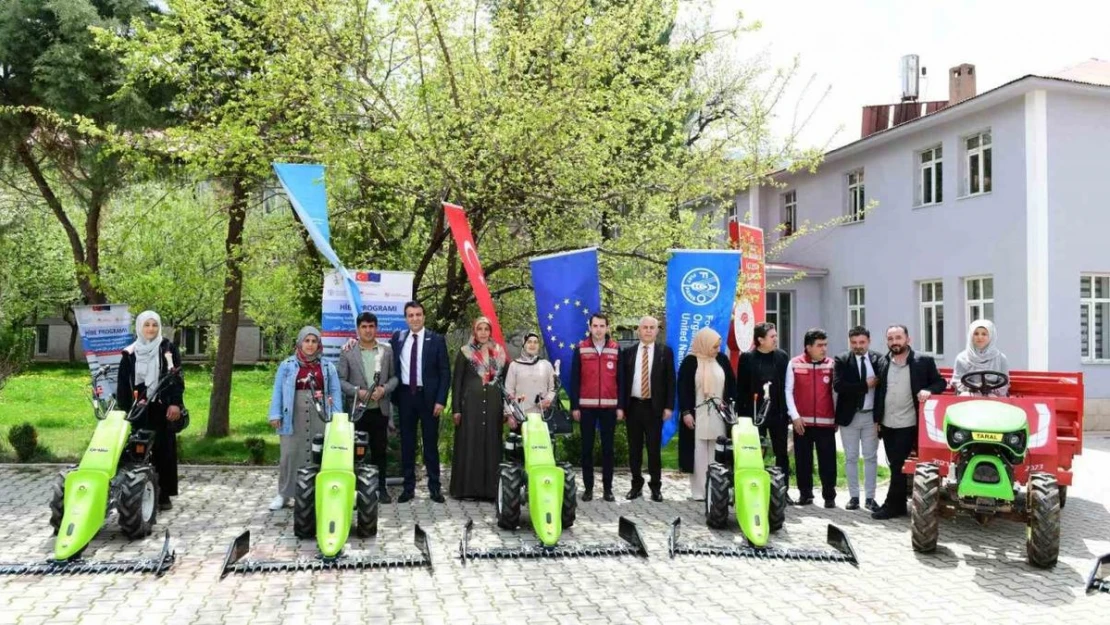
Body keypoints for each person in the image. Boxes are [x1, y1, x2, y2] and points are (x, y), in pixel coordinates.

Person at [871, 325, 947, 520]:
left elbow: (940, 383)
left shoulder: (923, 361)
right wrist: (877, 419)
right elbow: (880, 392)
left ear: (908, 339)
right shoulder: (883, 361)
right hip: (887, 422)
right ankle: (898, 504)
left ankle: (892, 505)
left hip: (909, 422)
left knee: (898, 464)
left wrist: (929, 391)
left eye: (898, 337)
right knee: (894, 464)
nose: (894, 342)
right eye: (890, 338)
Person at [115, 310, 184, 511]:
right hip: (138, 410)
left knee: (164, 450)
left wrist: (175, 404)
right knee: (136, 451)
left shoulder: (167, 348)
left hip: (162, 408)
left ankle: (163, 495)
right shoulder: (130, 353)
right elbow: (123, 384)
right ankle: (136, 492)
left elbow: (176, 379)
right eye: (147, 325)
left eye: (154, 325)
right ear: (140, 327)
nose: (151, 329)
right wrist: (124, 411)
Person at [267, 326, 342, 511]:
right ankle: (284, 494)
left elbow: (334, 391)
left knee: (319, 454)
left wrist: (337, 416)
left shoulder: (327, 367)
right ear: (300, 342)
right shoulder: (286, 366)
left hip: (320, 415)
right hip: (292, 415)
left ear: (319, 344)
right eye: (306, 341)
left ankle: (318, 492)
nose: (310, 345)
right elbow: (277, 390)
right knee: (289, 454)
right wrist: (275, 413)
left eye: (314, 341)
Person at [390, 301, 450, 504]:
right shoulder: (397, 339)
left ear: (424, 317)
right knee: (407, 444)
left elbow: (445, 373)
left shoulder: (436, 340)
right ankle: (408, 488)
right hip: (405, 397)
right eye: (410, 315)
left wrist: (441, 400)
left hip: (429, 399)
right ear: (406, 318)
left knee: (430, 444)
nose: (414, 318)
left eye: (418, 315)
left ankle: (434, 488)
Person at [337, 312, 398, 502]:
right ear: (358, 329)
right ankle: (355, 490)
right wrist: (357, 391)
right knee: (356, 453)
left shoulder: (386, 350)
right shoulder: (348, 351)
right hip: (357, 411)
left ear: (376, 328)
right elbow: (340, 380)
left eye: (371, 326)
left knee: (380, 451)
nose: (368, 330)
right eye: (364, 327)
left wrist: (384, 389)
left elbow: (395, 377)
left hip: (380, 410)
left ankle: (381, 487)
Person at [617, 316, 675, 502]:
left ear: (657, 331)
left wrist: (668, 406)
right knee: (634, 449)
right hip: (633, 406)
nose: (648, 330)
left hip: (654, 407)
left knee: (653, 450)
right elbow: (622, 382)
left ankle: (656, 487)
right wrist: (621, 407)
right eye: (645, 327)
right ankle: (636, 485)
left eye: (652, 327)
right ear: (638, 330)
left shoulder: (665, 352)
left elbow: (670, 381)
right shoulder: (628, 353)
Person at [449, 317, 507, 501]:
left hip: (493, 406)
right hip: (470, 408)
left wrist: (506, 408)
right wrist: (456, 409)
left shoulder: (498, 352)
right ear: (474, 331)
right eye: (479, 329)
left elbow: (504, 383)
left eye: (486, 329)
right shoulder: (465, 352)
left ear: (490, 331)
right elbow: (457, 381)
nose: (483, 332)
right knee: (470, 445)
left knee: (491, 445)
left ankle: (490, 491)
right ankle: (467, 490)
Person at [678, 327, 736, 501]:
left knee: (718, 449)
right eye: (714, 346)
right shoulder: (690, 362)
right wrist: (686, 412)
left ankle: (717, 489)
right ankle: (699, 491)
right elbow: (683, 389)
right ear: (704, 344)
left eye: (718, 346)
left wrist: (731, 406)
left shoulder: (722, 360)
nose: (717, 350)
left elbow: (731, 385)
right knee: (699, 451)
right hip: (697, 412)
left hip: (719, 412)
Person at [736, 322, 791, 499]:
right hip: (754, 415)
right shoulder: (747, 358)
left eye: (776, 335)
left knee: (781, 452)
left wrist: (788, 412)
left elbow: (788, 386)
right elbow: (741, 388)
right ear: (760, 340)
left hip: (778, 414)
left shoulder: (782, 357)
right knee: (755, 451)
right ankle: (755, 488)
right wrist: (742, 416)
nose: (776, 339)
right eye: (772, 336)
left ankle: (783, 491)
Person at [570, 313, 621, 502]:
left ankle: (608, 489)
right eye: (595, 326)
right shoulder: (581, 348)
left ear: (607, 328)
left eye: (602, 326)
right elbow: (575, 379)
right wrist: (575, 406)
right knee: (587, 449)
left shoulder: (616, 349)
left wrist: (620, 406)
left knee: (608, 449)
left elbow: (621, 380)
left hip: (609, 407)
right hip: (586, 407)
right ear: (589, 327)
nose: (598, 329)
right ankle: (588, 488)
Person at [785, 328, 838, 508]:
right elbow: (788, 391)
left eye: (825, 345)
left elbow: (836, 393)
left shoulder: (831, 364)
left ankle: (829, 496)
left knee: (828, 461)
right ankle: (805, 494)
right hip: (802, 423)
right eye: (819, 345)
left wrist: (836, 417)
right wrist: (795, 416)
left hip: (826, 423)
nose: (824, 349)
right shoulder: (794, 363)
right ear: (808, 347)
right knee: (803, 460)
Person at [833, 325, 884, 512]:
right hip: (850, 417)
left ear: (868, 342)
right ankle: (854, 497)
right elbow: (839, 386)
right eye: (854, 342)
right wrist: (865, 385)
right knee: (851, 457)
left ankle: (870, 498)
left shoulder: (879, 359)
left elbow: (883, 388)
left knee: (871, 458)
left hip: (871, 416)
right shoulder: (842, 360)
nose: (858, 346)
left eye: (862, 342)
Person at [503, 332, 557, 428]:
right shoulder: (514, 365)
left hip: (542, 417)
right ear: (524, 344)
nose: (532, 345)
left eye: (535, 342)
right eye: (529, 342)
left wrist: (548, 400)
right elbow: (508, 392)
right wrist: (510, 415)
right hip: (520, 417)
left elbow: (553, 388)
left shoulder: (546, 365)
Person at [952, 319, 1010, 396]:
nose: (980, 337)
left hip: (993, 396)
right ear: (971, 336)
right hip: (970, 394)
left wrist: (991, 392)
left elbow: (1004, 383)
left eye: (984, 334)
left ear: (991, 336)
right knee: (964, 395)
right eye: (976, 334)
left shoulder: (1001, 358)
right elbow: (957, 381)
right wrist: (973, 389)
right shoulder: (961, 358)